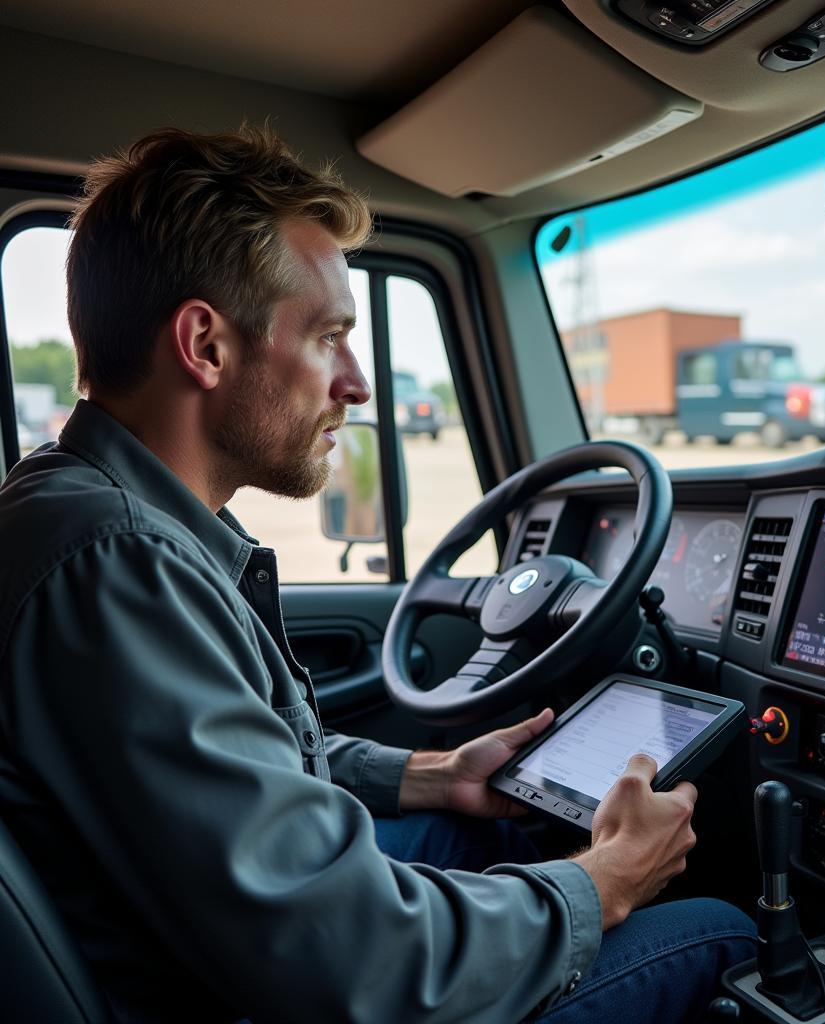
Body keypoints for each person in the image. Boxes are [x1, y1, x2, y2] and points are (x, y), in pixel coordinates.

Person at [0, 125, 755, 1023]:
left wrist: (428, 773)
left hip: (181, 948)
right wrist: (606, 881)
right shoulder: (120, 562)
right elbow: (355, 959)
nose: (358, 384)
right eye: (328, 337)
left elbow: (239, 770)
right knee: (720, 930)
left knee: (464, 828)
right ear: (204, 345)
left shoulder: (82, 507)